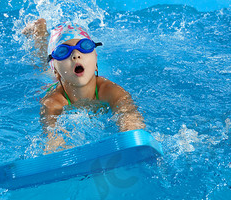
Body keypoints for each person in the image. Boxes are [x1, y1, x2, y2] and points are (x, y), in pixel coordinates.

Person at [23, 19, 145, 151]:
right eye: (63, 51)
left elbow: (129, 117)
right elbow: (52, 137)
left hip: (69, 73)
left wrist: (129, 133)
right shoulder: (52, 102)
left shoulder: (112, 91)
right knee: (43, 67)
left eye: (84, 46)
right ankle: (38, 33)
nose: (76, 55)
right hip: (56, 80)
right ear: (57, 71)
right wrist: (59, 146)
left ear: (95, 60)